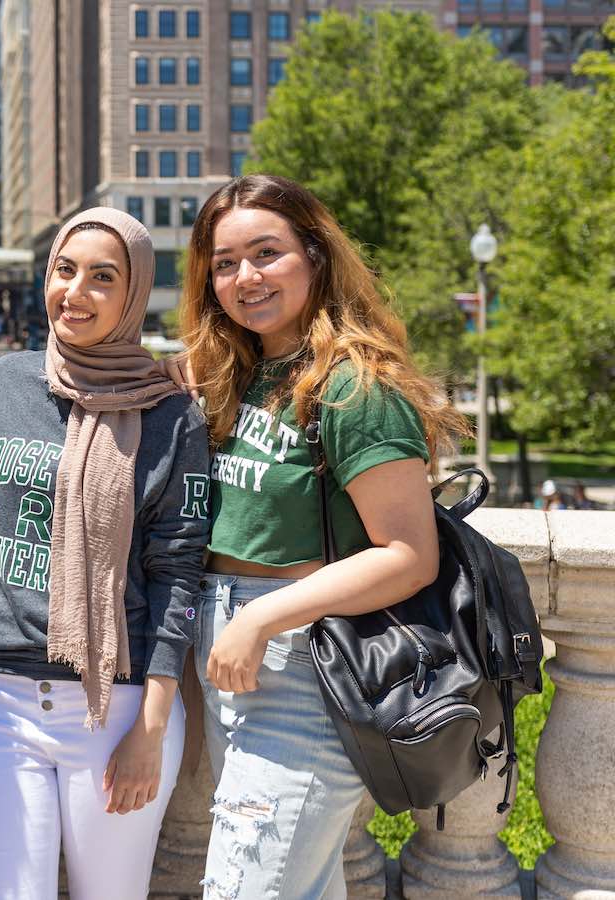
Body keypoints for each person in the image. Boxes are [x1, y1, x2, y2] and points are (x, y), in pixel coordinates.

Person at [178, 174, 467, 899]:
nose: (246, 277)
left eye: (267, 253)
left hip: (306, 667)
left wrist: (262, 616)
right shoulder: (239, 374)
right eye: (224, 262)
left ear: (314, 254)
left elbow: (409, 555)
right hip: (237, 665)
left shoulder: (353, 385)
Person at [0, 207, 210, 899]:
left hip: (115, 707)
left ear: (134, 291)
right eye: (64, 270)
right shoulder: (10, 380)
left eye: (102, 277)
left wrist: (151, 724)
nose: (74, 291)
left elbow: (178, 573)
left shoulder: (172, 415)